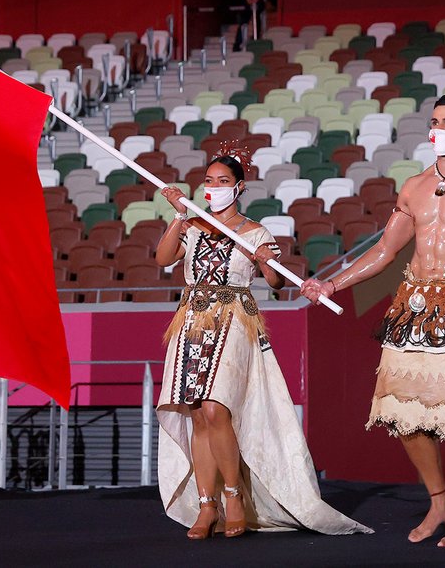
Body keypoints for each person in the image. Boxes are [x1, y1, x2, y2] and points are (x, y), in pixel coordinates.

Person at [300, 93, 445, 548]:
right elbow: (385, 252)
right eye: (434, 121)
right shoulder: (414, 187)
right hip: (414, 306)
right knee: (401, 412)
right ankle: (439, 500)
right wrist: (332, 284)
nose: (438, 129)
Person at [155, 144, 371, 539]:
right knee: (197, 412)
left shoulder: (255, 231)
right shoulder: (192, 225)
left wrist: (259, 256)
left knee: (217, 408)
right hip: (191, 320)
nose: (214, 187)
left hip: (234, 318)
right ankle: (207, 505)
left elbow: (273, 281)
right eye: (209, 181)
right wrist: (178, 215)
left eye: (223, 182)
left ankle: (234, 496)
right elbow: (162, 259)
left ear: (238, 187)